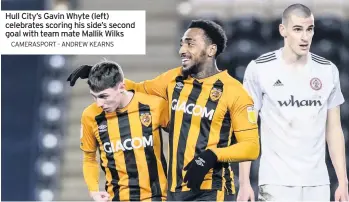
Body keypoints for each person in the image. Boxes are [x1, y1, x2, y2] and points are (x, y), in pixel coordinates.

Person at [123, 19, 260, 201]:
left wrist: (212, 155)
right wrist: (104, 75)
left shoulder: (235, 92)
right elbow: (138, 89)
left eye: (190, 44)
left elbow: (251, 147)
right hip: (175, 190)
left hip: (213, 190)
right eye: (181, 44)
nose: (182, 50)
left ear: (211, 50)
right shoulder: (174, 78)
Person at [238, 3, 349, 201]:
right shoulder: (259, 69)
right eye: (297, 29)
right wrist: (245, 183)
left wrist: (343, 181)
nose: (305, 37)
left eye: (309, 29)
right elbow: (248, 127)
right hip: (275, 182)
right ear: (283, 30)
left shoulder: (327, 70)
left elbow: (334, 129)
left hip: (317, 183)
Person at [68, 61, 168, 201]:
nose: (99, 103)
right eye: (94, 96)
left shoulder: (154, 106)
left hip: (156, 197)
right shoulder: (90, 116)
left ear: (121, 87)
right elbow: (89, 158)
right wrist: (94, 191)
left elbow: (184, 136)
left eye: (104, 96)